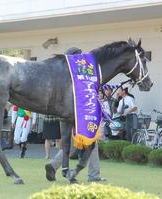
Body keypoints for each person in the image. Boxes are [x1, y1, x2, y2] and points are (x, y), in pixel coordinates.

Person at [45, 47, 106, 182]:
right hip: (79, 114)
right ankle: (94, 175)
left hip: (65, 113)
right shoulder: (77, 73)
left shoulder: (63, 73)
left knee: (72, 144)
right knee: (91, 141)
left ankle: (54, 165)